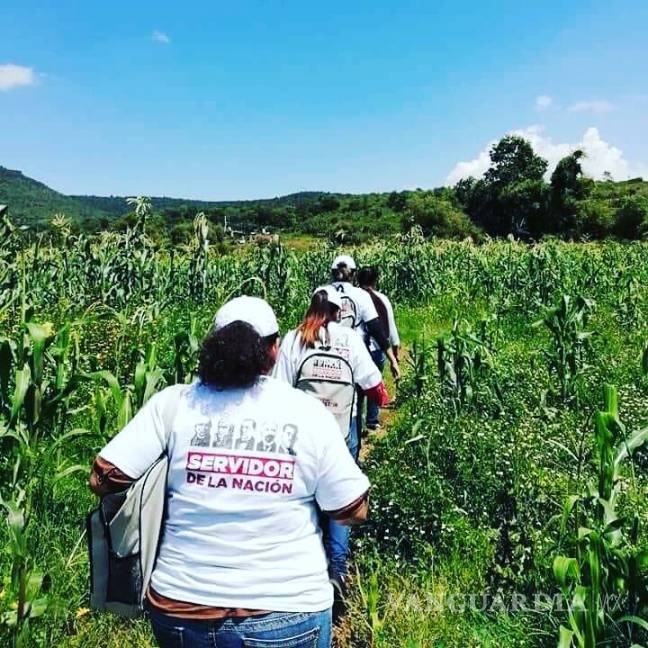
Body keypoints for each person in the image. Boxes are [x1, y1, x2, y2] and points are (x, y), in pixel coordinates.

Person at [89, 296, 370, 648]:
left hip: (181, 608)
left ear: (213, 347)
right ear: (274, 350)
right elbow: (351, 509)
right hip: (286, 611)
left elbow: (102, 479)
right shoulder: (307, 412)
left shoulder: (175, 403)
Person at [273, 286, 389, 591]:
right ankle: (337, 571)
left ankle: (304, 565)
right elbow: (374, 386)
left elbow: (279, 390)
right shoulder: (349, 338)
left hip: (299, 436)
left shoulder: (294, 338)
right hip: (341, 432)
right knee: (340, 495)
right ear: (339, 312)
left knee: (303, 495)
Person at [358, 266, 401, 431]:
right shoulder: (382, 299)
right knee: (375, 381)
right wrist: (394, 350)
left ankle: (357, 421)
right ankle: (372, 419)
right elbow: (391, 326)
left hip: (357, 349)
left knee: (357, 386)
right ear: (375, 280)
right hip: (377, 348)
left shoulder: (352, 297)